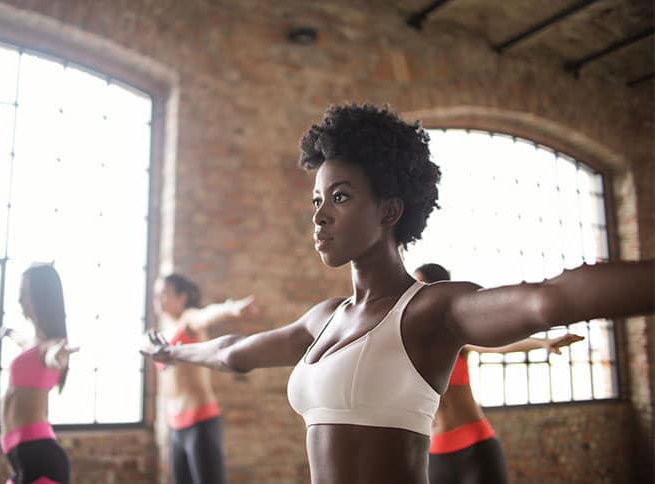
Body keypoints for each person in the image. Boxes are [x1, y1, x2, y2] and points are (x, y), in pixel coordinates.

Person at [141, 103, 654, 484]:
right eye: (317, 199)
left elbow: (549, 299)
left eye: (340, 198)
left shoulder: (433, 309)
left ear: (389, 211)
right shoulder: (323, 318)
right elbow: (234, 353)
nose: (319, 215)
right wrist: (171, 351)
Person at [414, 262, 584, 484]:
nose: (415, 293)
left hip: (474, 449)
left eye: (420, 285)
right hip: (434, 455)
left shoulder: (455, 336)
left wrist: (540, 343)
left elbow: (498, 344)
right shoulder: (412, 343)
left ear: (436, 289)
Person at [151, 273, 257, 484]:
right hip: (175, 427)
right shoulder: (163, 329)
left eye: (164, 293)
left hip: (199, 423)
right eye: (156, 295)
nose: (158, 300)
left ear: (181, 297)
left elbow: (206, 314)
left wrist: (230, 308)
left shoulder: (188, 319)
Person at [0, 263, 79, 484]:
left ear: (42, 297)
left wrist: (60, 354)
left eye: (25, 293)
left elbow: (52, 355)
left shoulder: (50, 346)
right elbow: (25, 342)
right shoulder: (34, 344)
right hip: (20, 455)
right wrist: (9, 332)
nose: (20, 300)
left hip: (39, 454)